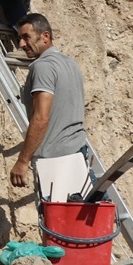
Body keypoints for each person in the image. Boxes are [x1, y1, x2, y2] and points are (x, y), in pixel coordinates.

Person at [9, 13, 90, 190]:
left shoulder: (43, 66)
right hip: (77, 152)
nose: (21, 44)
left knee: (57, 216)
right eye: (19, 38)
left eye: (26, 37)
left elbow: (41, 117)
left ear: (45, 36)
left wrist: (23, 161)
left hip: (55, 161)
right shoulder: (70, 64)